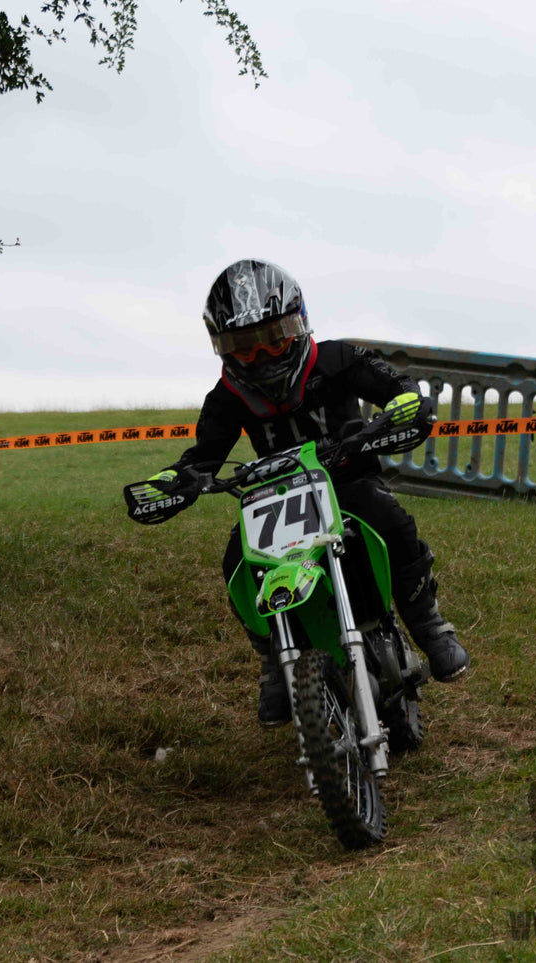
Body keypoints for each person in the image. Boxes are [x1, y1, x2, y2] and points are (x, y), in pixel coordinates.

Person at [136, 259, 469, 727]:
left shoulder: (335, 359)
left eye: (274, 338)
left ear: (299, 323)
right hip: (273, 502)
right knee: (236, 562)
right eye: (244, 348)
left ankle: (430, 628)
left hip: (348, 482)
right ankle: (274, 659)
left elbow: (391, 382)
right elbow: (205, 455)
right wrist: (177, 480)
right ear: (222, 348)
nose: (264, 356)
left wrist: (403, 400)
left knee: (389, 517)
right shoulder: (226, 397)